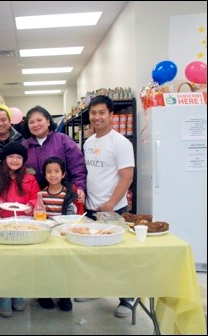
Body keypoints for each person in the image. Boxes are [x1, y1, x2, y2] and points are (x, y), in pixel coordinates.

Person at [83, 95, 135, 318]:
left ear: (111, 114)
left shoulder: (121, 143)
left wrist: (111, 204)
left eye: (101, 112)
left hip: (114, 209)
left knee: (118, 256)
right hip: (92, 207)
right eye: (93, 113)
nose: (97, 117)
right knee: (94, 255)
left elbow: (127, 177)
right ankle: (96, 289)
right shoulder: (88, 142)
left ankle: (127, 298)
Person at [0, 141, 40, 317]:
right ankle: (5, 295)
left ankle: (18, 292)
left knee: (21, 262)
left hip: (23, 225)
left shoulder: (30, 179)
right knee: (4, 262)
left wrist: (30, 206)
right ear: (4, 159)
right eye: (11, 156)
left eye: (18, 157)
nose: (14, 160)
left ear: (23, 160)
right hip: (0, 225)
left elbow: (37, 199)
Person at [22, 106, 87, 207]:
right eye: (31, 122)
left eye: (39, 120)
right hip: (34, 199)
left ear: (48, 122)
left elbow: (77, 166)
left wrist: (80, 187)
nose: (35, 125)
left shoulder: (63, 140)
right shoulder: (24, 146)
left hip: (62, 197)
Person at [36, 156, 78, 312]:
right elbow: (39, 215)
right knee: (45, 266)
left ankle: (64, 296)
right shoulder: (41, 194)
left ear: (63, 174)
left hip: (63, 236)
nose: (52, 175)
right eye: (49, 172)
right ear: (44, 175)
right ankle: (44, 294)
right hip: (47, 237)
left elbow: (73, 215)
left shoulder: (69, 194)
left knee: (64, 267)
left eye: (56, 171)